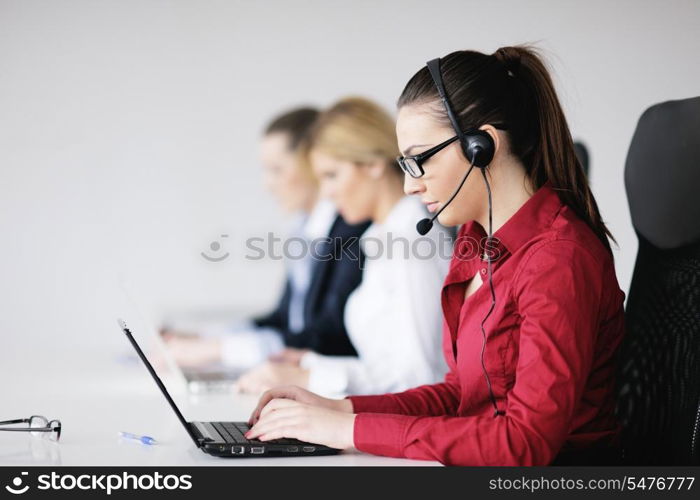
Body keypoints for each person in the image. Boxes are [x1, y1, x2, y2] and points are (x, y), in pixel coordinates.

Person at [243, 46, 626, 466]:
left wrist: (348, 431)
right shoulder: (474, 240)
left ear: (483, 146)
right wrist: (342, 410)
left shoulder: (558, 259)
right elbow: (462, 395)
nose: (410, 185)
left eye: (420, 159)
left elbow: (523, 443)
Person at [236, 97, 451, 396]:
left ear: (374, 164)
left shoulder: (410, 241)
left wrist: (309, 378)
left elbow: (421, 377)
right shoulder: (380, 238)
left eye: (332, 175)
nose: (326, 193)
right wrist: (310, 362)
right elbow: (385, 365)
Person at [161, 107, 369, 376]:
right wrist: (205, 338)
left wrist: (219, 349)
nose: (267, 185)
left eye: (276, 170)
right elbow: (283, 320)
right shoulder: (303, 231)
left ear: (312, 163)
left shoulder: (353, 230)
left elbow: (330, 337)